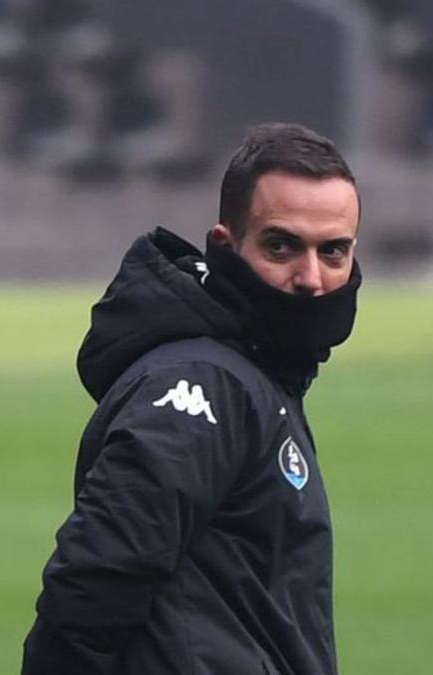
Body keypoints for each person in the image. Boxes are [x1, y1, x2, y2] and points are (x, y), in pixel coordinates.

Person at [22, 122, 363, 675]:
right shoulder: (202, 385)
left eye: (334, 252)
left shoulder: (256, 375)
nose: (311, 277)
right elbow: (93, 584)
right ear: (226, 245)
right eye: (282, 246)